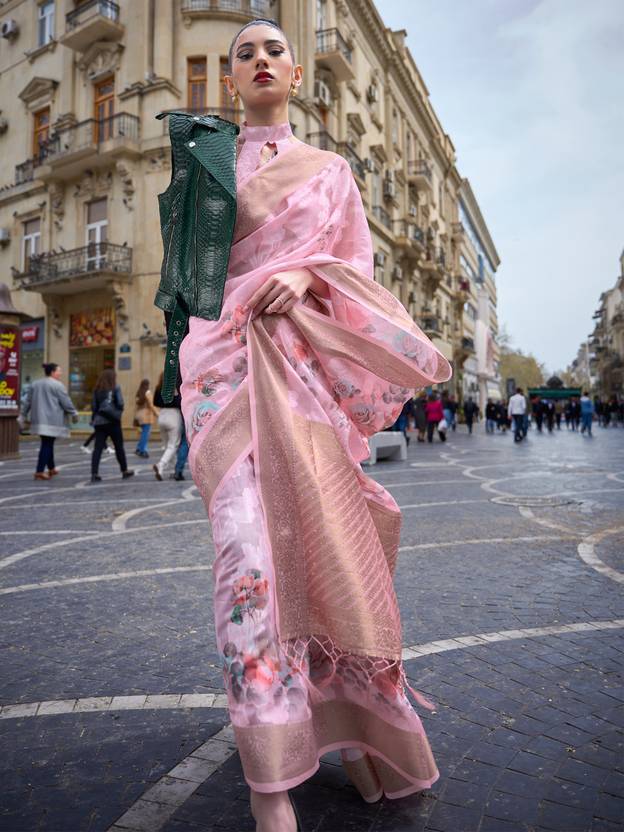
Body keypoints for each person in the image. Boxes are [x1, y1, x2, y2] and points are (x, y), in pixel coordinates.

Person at [174, 18, 452, 831]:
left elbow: (355, 270)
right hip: (221, 372)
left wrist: (302, 270)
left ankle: (354, 726)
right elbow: (187, 282)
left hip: (303, 377)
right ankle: (269, 779)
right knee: (249, 557)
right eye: (243, 54)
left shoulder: (332, 171)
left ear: (295, 76)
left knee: (325, 545)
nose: (259, 60)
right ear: (231, 82)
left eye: (272, 51)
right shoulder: (204, 164)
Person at [19, 362, 78, 480]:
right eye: (59, 371)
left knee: (48, 443)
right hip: (52, 420)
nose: (60, 373)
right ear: (52, 372)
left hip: (39, 420)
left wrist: (23, 415)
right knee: (47, 444)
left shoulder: (35, 384)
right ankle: (39, 471)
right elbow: (65, 401)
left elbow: (27, 402)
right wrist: (74, 412)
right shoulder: (58, 385)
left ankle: (51, 468)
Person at [90, 369, 135, 483]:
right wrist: (117, 412)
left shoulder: (96, 390)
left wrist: (95, 418)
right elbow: (120, 403)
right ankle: (124, 470)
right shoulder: (115, 388)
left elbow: (94, 407)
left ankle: (94, 473)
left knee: (98, 449)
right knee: (119, 447)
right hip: (113, 422)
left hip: (99, 422)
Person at [152, 372, 183, 481]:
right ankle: (161, 464)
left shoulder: (158, 387)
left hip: (162, 416)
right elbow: (180, 402)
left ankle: (172, 470)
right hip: (173, 416)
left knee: (167, 446)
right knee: (173, 445)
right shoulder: (174, 388)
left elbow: (155, 402)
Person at [134, 378, 159, 458]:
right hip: (146, 416)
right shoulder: (147, 393)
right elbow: (151, 404)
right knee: (145, 434)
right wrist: (157, 413)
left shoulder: (138, 393)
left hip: (139, 415)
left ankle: (138, 448)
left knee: (143, 433)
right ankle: (142, 450)